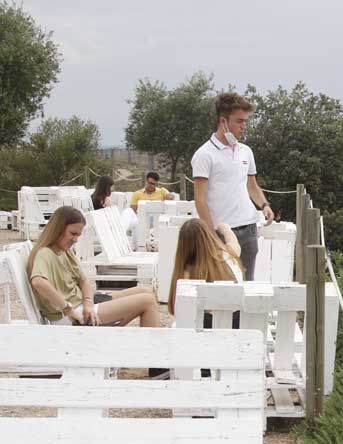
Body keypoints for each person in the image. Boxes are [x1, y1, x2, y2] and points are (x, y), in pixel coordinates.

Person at [27, 206, 159, 327]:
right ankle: (155, 350)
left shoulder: (64, 250)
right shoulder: (45, 253)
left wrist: (88, 303)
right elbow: (38, 281)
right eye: (72, 234)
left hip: (84, 305)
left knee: (145, 291)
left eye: (78, 235)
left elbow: (84, 282)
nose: (75, 240)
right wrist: (68, 309)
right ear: (58, 229)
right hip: (72, 316)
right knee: (147, 301)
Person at [191, 92, 274, 281]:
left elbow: (252, 186)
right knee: (221, 288)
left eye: (245, 121)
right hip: (220, 231)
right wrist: (210, 234)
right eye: (239, 121)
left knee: (246, 284)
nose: (244, 126)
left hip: (249, 228)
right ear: (223, 121)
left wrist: (264, 205)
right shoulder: (204, 154)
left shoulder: (246, 151)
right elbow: (200, 199)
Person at [166, 218, 243, 317]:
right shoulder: (227, 255)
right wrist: (225, 229)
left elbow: (177, 308)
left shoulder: (185, 273)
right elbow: (233, 242)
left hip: (201, 327)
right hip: (234, 324)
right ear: (208, 236)